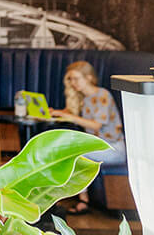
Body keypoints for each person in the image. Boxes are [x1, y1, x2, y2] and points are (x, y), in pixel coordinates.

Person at [50, 60, 125, 213]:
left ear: (89, 77)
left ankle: (83, 202)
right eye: (70, 79)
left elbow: (96, 125)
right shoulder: (83, 98)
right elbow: (70, 112)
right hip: (97, 147)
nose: (72, 83)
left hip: (113, 148)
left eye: (76, 78)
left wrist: (71, 118)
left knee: (76, 154)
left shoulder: (103, 94)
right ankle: (67, 197)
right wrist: (56, 112)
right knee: (66, 151)